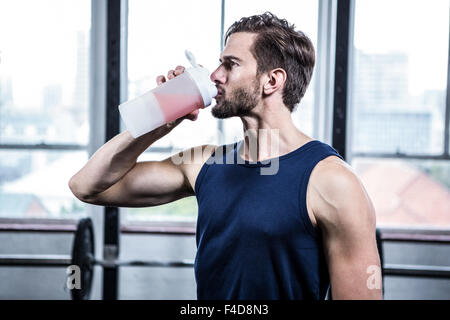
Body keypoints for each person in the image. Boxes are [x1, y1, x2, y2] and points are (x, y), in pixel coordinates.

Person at [69, 12, 382, 300]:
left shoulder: (332, 181)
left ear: (271, 81)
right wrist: (161, 116)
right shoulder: (203, 164)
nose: (215, 75)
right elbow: (86, 186)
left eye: (230, 64)